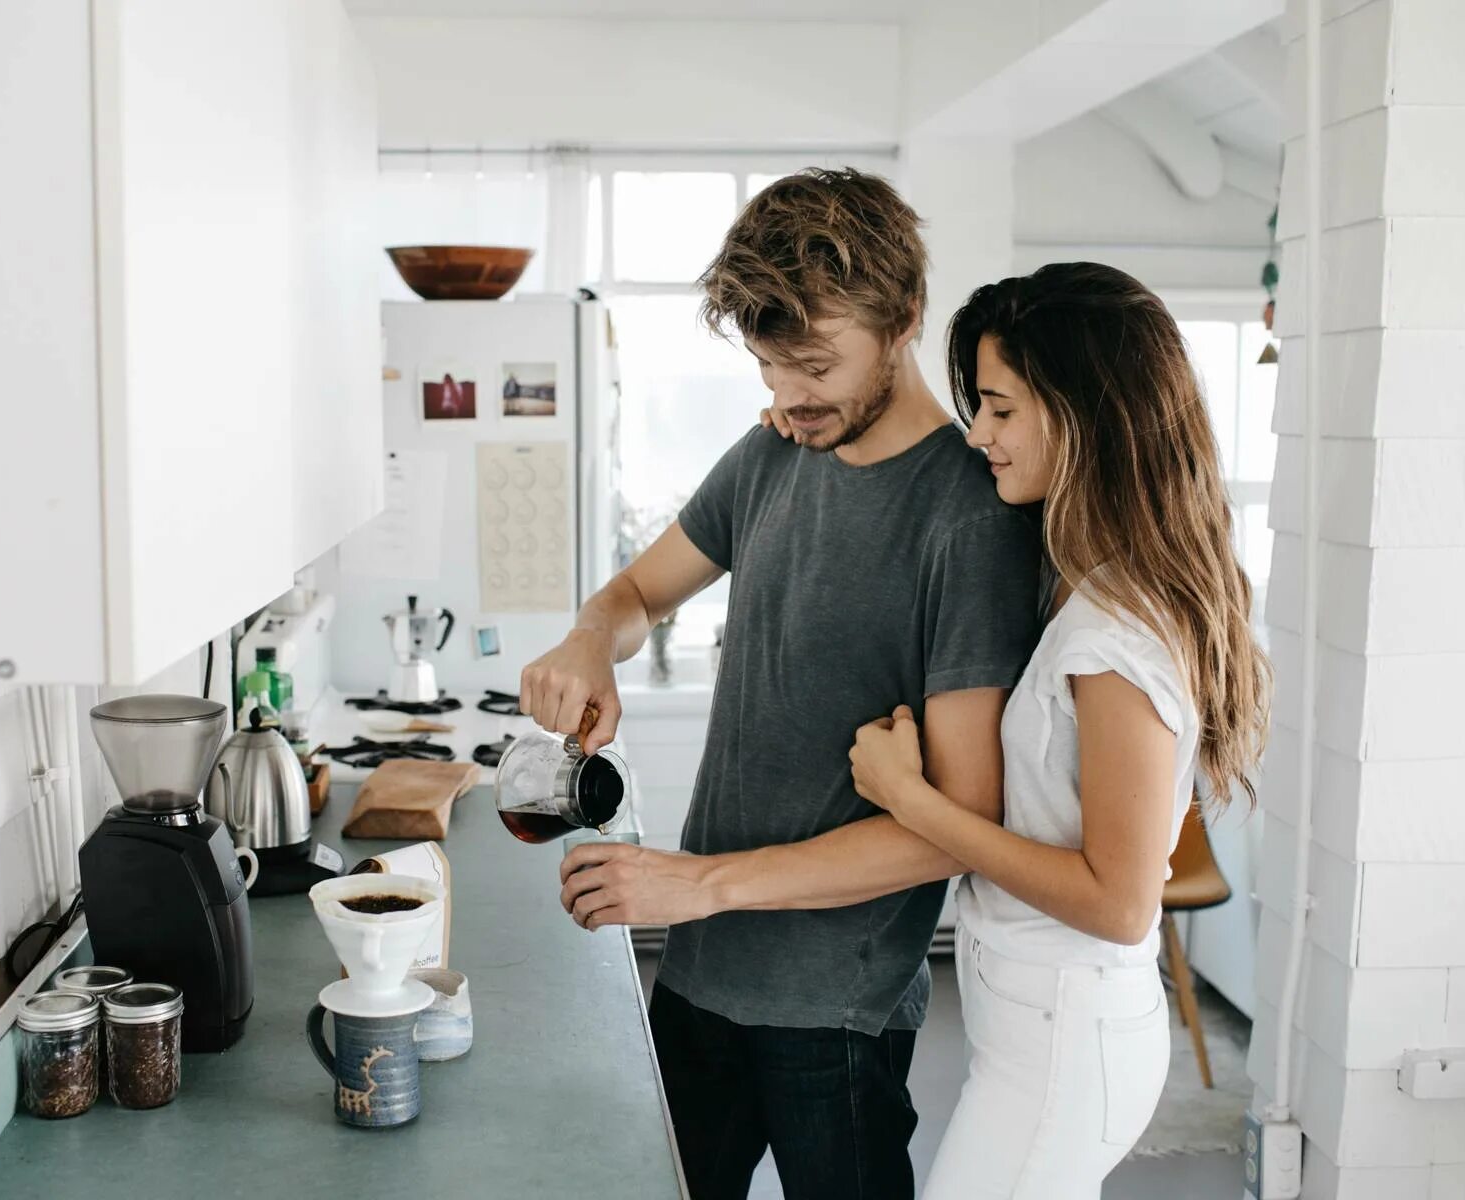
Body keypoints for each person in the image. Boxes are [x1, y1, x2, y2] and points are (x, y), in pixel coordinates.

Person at [518, 168, 1042, 1200]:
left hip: (832, 1018)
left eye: (811, 364)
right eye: (766, 367)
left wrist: (696, 885)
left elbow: (955, 822)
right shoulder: (771, 456)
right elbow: (633, 593)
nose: (785, 399)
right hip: (701, 978)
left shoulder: (966, 521)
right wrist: (589, 638)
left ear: (902, 320)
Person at [793, 262, 1271, 1197]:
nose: (980, 435)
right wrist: (811, 417)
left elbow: (1120, 902)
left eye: (1004, 410)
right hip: (1037, 1034)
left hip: (1065, 1046)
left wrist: (911, 801)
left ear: (1086, 415)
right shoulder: (1088, 581)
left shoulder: (1115, 635)